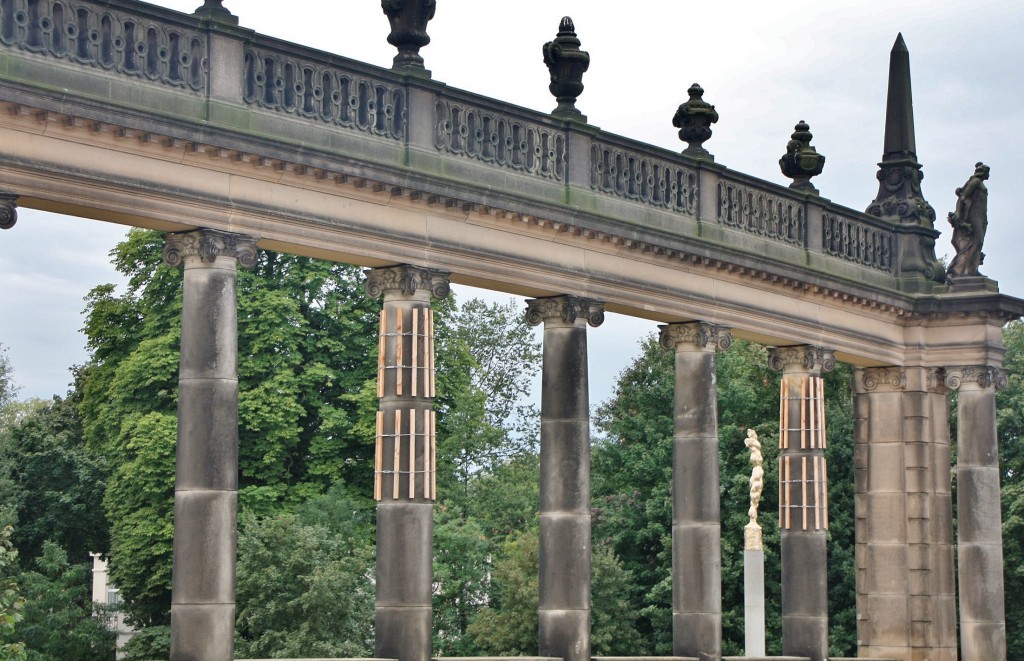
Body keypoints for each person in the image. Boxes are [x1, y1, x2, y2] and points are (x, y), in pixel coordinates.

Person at [946, 162, 991, 282]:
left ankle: (972, 269)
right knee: (977, 241)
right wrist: (957, 213)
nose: (989, 175)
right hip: (974, 217)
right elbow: (963, 197)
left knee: (978, 243)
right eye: (987, 172)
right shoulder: (976, 182)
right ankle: (965, 270)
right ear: (983, 172)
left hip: (981, 218)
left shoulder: (979, 183)